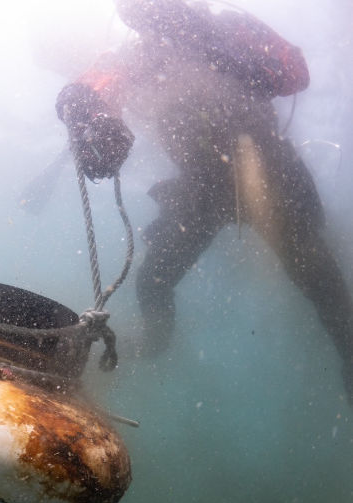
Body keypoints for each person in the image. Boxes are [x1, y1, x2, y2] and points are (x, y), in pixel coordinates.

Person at [54, 0, 353, 402]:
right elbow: (95, 85)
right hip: (202, 189)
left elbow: (295, 72)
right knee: (152, 282)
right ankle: (154, 341)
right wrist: (80, 106)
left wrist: (229, 53)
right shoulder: (137, 56)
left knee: (323, 285)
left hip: (265, 169)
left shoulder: (227, 28)